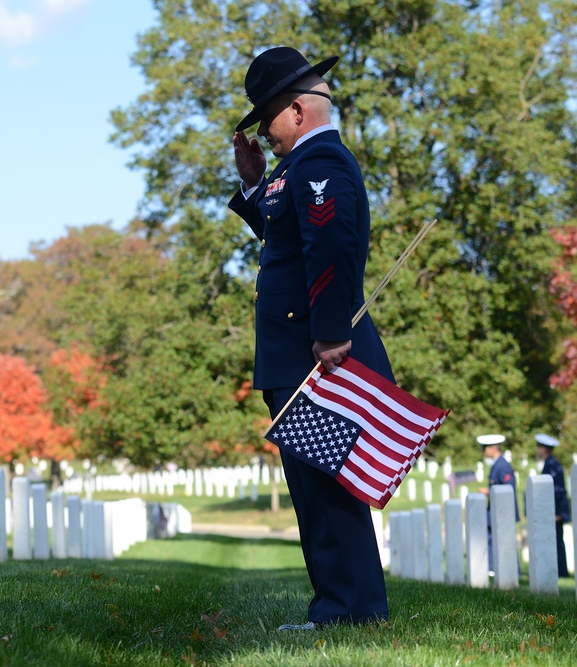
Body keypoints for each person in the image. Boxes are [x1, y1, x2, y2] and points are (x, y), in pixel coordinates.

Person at [229, 46, 393, 630]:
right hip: (297, 350)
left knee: (327, 489)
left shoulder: (319, 161)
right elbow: (290, 241)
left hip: (314, 353)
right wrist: (254, 188)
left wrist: (327, 336)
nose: (263, 134)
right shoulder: (301, 166)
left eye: (265, 118)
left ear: (297, 111)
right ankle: (345, 607)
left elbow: (330, 246)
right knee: (315, 487)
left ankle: (349, 611)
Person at [477, 433, 518, 572]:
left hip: (503, 511)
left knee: (504, 542)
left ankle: (508, 570)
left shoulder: (502, 466)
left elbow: (508, 489)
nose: (483, 451)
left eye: (485, 448)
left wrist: (488, 491)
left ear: (493, 448)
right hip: (496, 510)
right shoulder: (497, 465)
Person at [535, 433, 571, 577]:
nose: (538, 450)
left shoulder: (552, 465)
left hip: (555, 512)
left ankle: (562, 572)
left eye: (540, 447)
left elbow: (558, 491)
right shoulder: (550, 464)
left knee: (557, 541)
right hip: (552, 511)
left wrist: (558, 513)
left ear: (544, 449)